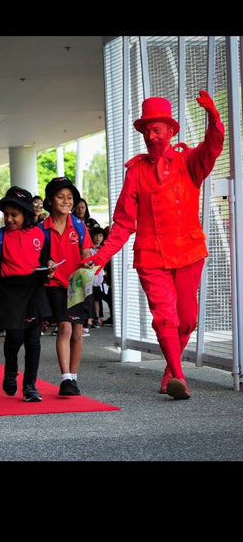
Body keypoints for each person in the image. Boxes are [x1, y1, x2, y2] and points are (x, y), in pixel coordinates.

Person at [81, 91, 224, 400]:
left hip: (188, 251)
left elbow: (213, 148)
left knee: (187, 318)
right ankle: (180, 377)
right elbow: (122, 224)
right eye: (146, 130)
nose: (150, 135)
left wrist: (213, 118)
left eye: (156, 129)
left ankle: (170, 372)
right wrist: (101, 257)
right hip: (150, 255)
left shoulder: (189, 162)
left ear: (171, 131)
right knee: (164, 317)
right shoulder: (136, 172)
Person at [0, 187, 52, 402]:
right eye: (6, 214)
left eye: (14, 215)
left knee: (33, 340)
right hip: (10, 290)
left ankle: (30, 386)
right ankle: (10, 372)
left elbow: (46, 260)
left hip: (34, 289)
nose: (8, 219)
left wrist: (50, 266)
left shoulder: (40, 235)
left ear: (26, 215)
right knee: (15, 337)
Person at [42, 176, 94, 396]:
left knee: (77, 332)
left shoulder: (80, 227)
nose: (66, 201)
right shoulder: (41, 228)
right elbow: (37, 256)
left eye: (69, 197)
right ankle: (65, 378)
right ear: (50, 201)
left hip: (77, 284)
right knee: (64, 327)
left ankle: (73, 377)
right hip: (55, 283)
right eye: (60, 197)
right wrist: (47, 263)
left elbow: (86, 253)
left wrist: (89, 261)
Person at [88, 226, 107, 328]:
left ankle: (96, 316)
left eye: (100, 236)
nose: (98, 238)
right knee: (88, 297)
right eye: (96, 236)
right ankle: (89, 317)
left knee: (97, 298)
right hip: (89, 276)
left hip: (99, 277)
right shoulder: (88, 249)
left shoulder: (104, 249)